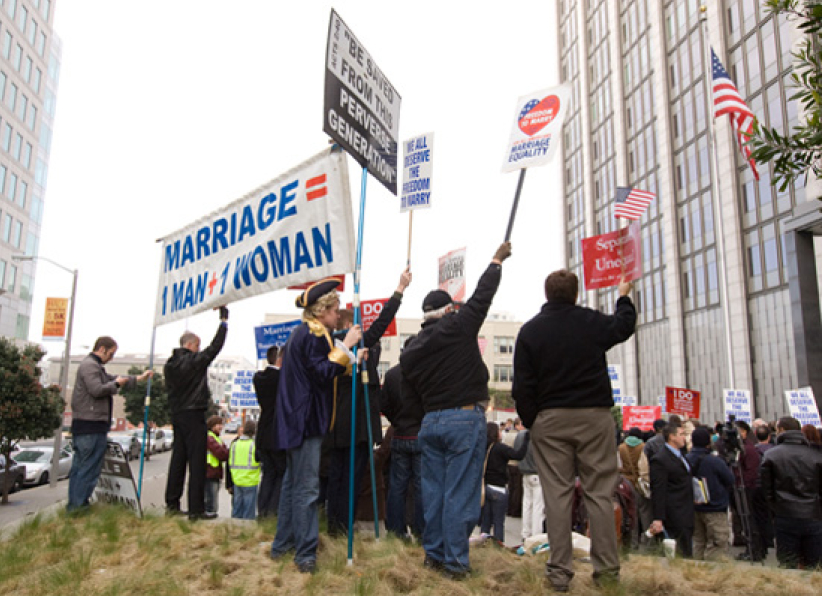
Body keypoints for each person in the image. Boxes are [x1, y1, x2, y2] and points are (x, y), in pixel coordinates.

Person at [512, 270, 635, 591]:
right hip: (594, 416)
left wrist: (534, 421)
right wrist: (623, 295)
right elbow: (624, 326)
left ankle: (559, 573)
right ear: (576, 293)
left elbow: (522, 387)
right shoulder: (591, 322)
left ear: (547, 293)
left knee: (556, 496)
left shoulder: (530, 332)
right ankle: (607, 571)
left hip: (550, 420)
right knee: (600, 494)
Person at [401, 242, 512, 579]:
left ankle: (434, 555)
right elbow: (482, 297)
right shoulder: (458, 327)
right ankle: (454, 563)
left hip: (430, 422)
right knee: (460, 495)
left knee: (434, 494)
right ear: (448, 311)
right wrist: (496, 261)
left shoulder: (410, 351)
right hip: (463, 419)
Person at [269, 278, 361, 574]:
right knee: (307, 489)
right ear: (322, 311)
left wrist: (346, 355)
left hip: (296, 421)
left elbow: (318, 370)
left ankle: (282, 545)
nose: (338, 315)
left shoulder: (303, 333)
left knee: (291, 487)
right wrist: (345, 347)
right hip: (306, 422)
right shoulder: (314, 334)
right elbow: (322, 373)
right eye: (335, 310)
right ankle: (306, 554)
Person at [326, 267, 412, 536]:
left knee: (338, 477)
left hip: (338, 425)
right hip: (355, 424)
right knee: (350, 479)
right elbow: (381, 323)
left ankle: (335, 526)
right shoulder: (346, 344)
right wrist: (399, 290)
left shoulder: (328, 344)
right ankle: (342, 528)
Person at [67, 337, 153, 513]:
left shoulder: (94, 366)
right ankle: (78, 507)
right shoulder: (90, 366)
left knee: (80, 468)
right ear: (102, 349)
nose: (112, 358)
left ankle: (75, 506)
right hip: (90, 426)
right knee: (88, 470)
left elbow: (113, 378)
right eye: (111, 353)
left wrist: (136, 379)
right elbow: (97, 389)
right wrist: (116, 384)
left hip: (87, 426)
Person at [164, 306, 228, 521]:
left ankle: (172, 503)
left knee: (178, 460)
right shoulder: (194, 361)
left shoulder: (169, 365)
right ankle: (196, 510)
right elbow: (215, 348)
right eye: (197, 346)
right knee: (197, 463)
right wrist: (224, 322)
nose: (199, 349)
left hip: (177, 414)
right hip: (194, 414)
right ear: (191, 345)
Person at [760, 416, 822, 569]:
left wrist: (776, 508)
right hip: (812, 514)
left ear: (781, 430)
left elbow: (767, 490)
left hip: (785, 514)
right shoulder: (816, 455)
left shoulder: (771, 455)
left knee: (788, 564)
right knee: (814, 565)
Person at [382, 336, 425, 540]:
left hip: (399, 434)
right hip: (420, 435)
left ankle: (396, 531)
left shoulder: (391, 375)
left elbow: (384, 405)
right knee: (420, 486)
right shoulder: (424, 373)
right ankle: (420, 530)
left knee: (396, 486)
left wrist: (396, 420)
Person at [685, 427, 734, 560]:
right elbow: (730, 479)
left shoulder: (685, 459)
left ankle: (696, 571)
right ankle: (714, 572)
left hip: (694, 506)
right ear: (708, 442)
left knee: (698, 542)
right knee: (717, 543)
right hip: (715, 507)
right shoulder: (714, 461)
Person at [649, 423, 694, 558]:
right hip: (673, 512)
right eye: (681, 435)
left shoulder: (681, 455)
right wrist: (658, 518)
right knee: (678, 551)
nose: (684, 438)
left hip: (686, 509)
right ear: (672, 437)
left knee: (686, 548)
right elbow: (658, 490)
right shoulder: (661, 459)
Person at [480, 422, 529, 544]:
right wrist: (526, 440)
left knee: (486, 521)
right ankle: (498, 545)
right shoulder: (500, 448)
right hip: (498, 488)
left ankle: (482, 543)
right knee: (498, 522)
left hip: (485, 487)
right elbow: (518, 455)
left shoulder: (483, 447)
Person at [253, 345, 286, 518]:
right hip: (278, 433)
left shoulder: (259, 378)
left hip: (263, 432)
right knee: (280, 474)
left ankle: (263, 511)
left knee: (268, 474)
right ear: (280, 360)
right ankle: (273, 512)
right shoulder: (282, 378)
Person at [514, 424, 544, 545]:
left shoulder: (520, 435)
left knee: (527, 504)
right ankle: (536, 535)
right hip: (537, 472)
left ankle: (525, 532)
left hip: (525, 471)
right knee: (538, 506)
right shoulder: (538, 435)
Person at [229, 420, 261, 520]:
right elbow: (259, 460)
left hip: (237, 479)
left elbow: (230, 462)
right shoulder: (254, 445)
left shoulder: (235, 444)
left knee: (237, 509)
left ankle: (234, 530)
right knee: (249, 511)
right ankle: (247, 532)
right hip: (250, 480)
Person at [205, 416, 229, 517]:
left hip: (214, 472)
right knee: (211, 502)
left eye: (221, 424)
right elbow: (221, 453)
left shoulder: (215, 438)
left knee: (212, 499)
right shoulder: (210, 438)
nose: (221, 427)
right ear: (212, 425)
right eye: (218, 424)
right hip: (210, 472)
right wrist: (224, 451)